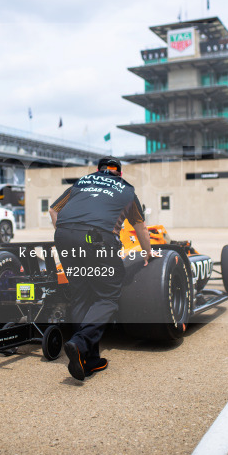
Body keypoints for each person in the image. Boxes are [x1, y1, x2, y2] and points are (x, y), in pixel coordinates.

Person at [49, 157, 156, 381]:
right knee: (107, 296)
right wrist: (148, 252)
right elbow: (140, 226)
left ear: (97, 171)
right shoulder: (127, 190)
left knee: (80, 296)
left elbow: (53, 210)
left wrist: (69, 234)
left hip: (64, 236)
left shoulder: (82, 182)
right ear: (120, 173)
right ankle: (79, 343)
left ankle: (88, 360)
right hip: (97, 239)